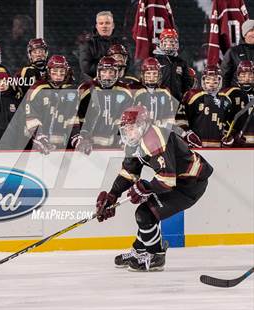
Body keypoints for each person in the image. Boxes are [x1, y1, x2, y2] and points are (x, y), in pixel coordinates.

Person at [95, 105, 213, 271]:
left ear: (143, 125)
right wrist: (112, 196)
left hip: (190, 184)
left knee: (145, 213)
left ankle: (156, 256)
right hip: (176, 180)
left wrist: (146, 187)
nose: (129, 132)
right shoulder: (133, 141)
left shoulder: (154, 139)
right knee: (147, 214)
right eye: (125, 128)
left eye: (133, 128)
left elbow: (167, 179)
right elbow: (129, 172)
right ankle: (139, 251)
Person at [73, 56, 133, 154]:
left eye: (111, 72)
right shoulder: (85, 89)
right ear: (98, 72)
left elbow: (128, 119)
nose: (107, 76)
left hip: (115, 144)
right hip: (88, 143)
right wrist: (79, 138)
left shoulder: (125, 91)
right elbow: (75, 116)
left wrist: (125, 138)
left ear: (116, 73)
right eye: (104, 72)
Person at [25, 55, 77, 154]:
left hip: (61, 143)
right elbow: (30, 117)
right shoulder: (37, 88)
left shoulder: (70, 90)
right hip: (36, 144)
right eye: (55, 72)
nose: (58, 76)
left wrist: (76, 138)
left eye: (61, 72)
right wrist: (39, 137)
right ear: (49, 72)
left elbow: (72, 117)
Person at [179, 64, 233, 148]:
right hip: (195, 147)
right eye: (208, 79)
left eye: (214, 80)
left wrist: (228, 137)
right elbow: (180, 119)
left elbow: (227, 125)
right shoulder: (192, 96)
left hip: (218, 148)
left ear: (220, 80)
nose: (211, 83)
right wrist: (188, 134)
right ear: (203, 80)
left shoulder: (226, 99)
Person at [133, 57, 176, 128]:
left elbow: (170, 118)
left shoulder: (164, 92)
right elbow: (132, 118)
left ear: (159, 75)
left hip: (160, 131)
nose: (151, 77)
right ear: (143, 75)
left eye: (154, 74)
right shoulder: (136, 91)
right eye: (149, 73)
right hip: (140, 131)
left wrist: (162, 125)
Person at [79, 11, 120, 81]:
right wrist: (109, 68)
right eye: (101, 23)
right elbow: (86, 68)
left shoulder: (121, 44)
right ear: (97, 26)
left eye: (107, 23)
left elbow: (127, 65)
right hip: (93, 83)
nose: (104, 26)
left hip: (117, 82)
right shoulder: (87, 44)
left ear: (113, 25)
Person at [153, 28, 192, 102]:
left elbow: (186, 84)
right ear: (161, 42)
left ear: (176, 43)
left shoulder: (182, 62)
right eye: (166, 41)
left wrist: (183, 97)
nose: (169, 44)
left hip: (176, 100)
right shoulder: (156, 61)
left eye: (171, 41)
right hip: (159, 99)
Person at [222, 60, 254, 147]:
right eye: (243, 75)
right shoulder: (230, 94)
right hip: (237, 147)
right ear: (238, 76)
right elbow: (221, 119)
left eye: (250, 75)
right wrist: (231, 135)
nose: (247, 78)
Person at [221, 19, 254, 88]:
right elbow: (225, 77)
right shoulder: (233, 52)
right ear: (244, 34)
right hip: (237, 95)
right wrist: (224, 94)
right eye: (251, 30)